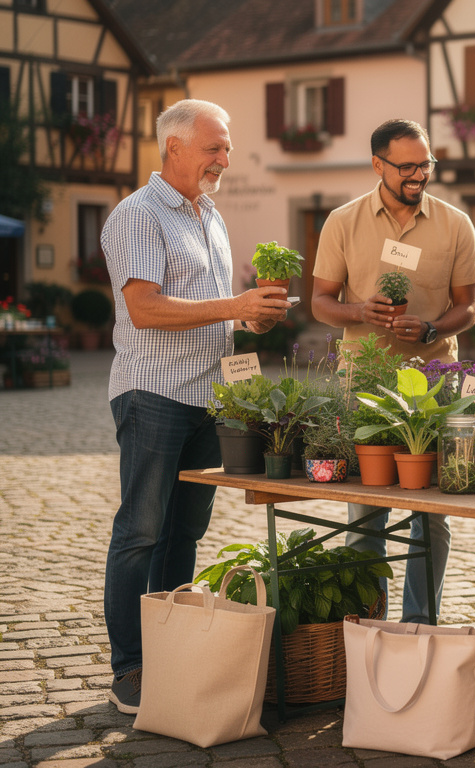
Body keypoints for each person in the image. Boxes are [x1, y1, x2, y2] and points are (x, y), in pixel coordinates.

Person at [101, 99, 291, 713]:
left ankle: (171, 644)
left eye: (227, 147)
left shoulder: (208, 213)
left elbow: (212, 309)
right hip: (153, 391)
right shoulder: (139, 214)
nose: (224, 159)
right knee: (140, 531)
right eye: (213, 147)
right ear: (174, 147)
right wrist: (235, 305)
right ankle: (130, 667)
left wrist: (252, 316)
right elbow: (144, 308)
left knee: (184, 532)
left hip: (210, 398)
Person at [311, 118, 475, 625]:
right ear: (377, 164)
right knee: (365, 516)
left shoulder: (455, 223)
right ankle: (369, 625)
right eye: (406, 166)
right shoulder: (343, 221)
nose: (417, 174)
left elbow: (467, 309)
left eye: (424, 164)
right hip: (364, 385)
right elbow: (321, 302)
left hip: (432, 388)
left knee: (432, 518)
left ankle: (419, 625)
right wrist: (360, 311)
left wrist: (431, 329)